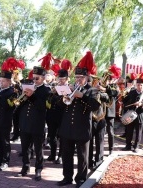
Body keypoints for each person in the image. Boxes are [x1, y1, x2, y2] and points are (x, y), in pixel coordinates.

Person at [57, 51, 100, 187]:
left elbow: (95, 106)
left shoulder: (92, 90)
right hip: (67, 128)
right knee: (66, 154)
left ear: (87, 78)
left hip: (82, 128)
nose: (78, 80)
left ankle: (81, 179)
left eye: (81, 77)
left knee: (82, 157)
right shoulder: (70, 88)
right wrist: (64, 93)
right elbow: (59, 105)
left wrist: (81, 96)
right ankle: (67, 177)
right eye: (76, 77)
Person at [17, 65, 50, 181]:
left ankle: (38, 169)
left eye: (37, 78)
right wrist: (22, 95)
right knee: (25, 148)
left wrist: (32, 96)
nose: (35, 81)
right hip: (25, 123)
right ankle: (25, 167)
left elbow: (43, 107)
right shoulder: (28, 88)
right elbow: (20, 104)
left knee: (38, 149)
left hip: (37, 124)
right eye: (33, 78)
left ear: (43, 78)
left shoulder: (46, 90)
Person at [46, 60, 71, 164]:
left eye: (62, 79)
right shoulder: (54, 88)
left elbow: (67, 102)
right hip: (52, 116)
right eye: (59, 79)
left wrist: (61, 93)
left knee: (61, 137)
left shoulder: (70, 88)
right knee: (51, 136)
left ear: (67, 79)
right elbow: (48, 102)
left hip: (63, 116)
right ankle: (52, 154)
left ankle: (60, 156)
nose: (60, 81)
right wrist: (52, 94)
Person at [122, 75, 143, 152]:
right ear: (136, 85)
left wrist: (142, 104)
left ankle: (136, 146)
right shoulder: (131, 92)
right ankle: (128, 145)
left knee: (138, 132)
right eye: (138, 85)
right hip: (131, 114)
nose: (139, 86)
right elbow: (124, 101)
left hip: (140, 115)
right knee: (129, 131)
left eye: (141, 85)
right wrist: (124, 94)